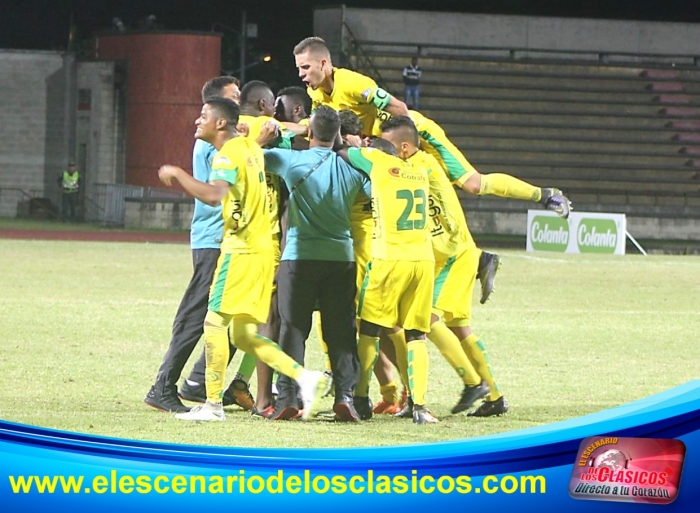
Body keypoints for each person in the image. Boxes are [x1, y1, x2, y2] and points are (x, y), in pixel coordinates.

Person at [157, 97, 327, 422]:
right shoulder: (249, 147)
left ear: (221, 123)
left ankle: (212, 406)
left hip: (241, 252)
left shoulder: (228, 154)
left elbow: (213, 194)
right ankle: (305, 378)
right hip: (264, 251)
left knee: (214, 323)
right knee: (245, 335)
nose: (197, 120)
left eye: (203, 115)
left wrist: (178, 173)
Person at [144, 76, 253, 414]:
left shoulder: (231, 141)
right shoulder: (213, 144)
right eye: (234, 98)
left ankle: (199, 379)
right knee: (198, 313)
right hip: (214, 240)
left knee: (236, 314)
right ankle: (163, 386)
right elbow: (211, 196)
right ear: (219, 110)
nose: (240, 102)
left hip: (227, 240)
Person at [379, 116, 495, 416]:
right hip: (446, 255)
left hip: (454, 256)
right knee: (459, 328)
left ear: (405, 147)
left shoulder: (421, 166)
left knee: (425, 319)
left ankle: (472, 382)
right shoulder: (415, 164)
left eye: (387, 146)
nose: (383, 152)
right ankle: (494, 395)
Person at [260, 105, 369, 422]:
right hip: (341, 258)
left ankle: (288, 398)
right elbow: (373, 194)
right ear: (337, 135)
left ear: (310, 132)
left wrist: (266, 137)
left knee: (293, 329)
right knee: (341, 331)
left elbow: (251, 159)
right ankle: (345, 396)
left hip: (299, 257)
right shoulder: (352, 168)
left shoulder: (292, 161)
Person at [339, 138, 437, 425]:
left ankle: (360, 398)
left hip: (389, 259)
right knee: (417, 334)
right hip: (423, 260)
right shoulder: (420, 169)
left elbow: (343, 152)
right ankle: (418, 405)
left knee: (369, 329)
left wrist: (356, 145)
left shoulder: (378, 161)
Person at [293, 36, 409, 137]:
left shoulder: (353, 84)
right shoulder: (313, 91)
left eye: (306, 67)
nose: (300, 74)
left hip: (377, 144)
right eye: (298, 69)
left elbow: (400, 109)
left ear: (323, 64)